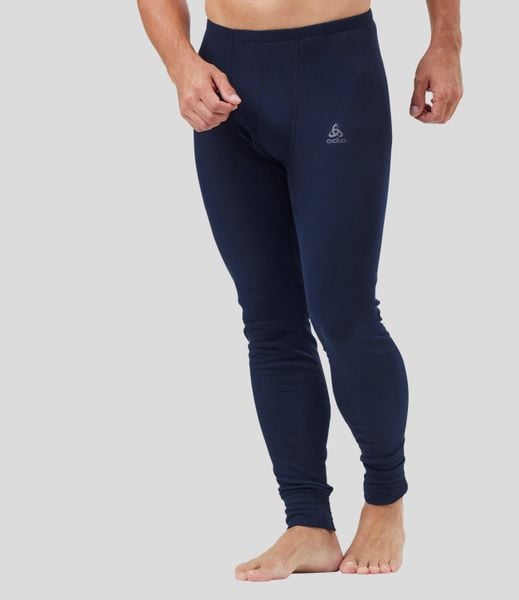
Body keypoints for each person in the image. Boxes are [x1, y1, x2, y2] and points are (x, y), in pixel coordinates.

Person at [137, 0, 462, 581]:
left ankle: (385, 499)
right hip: (226, 77)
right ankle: (308, 522)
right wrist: (180, 62)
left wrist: (446, 43)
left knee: (344, 314)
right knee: (269, 320)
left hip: (335, 69)